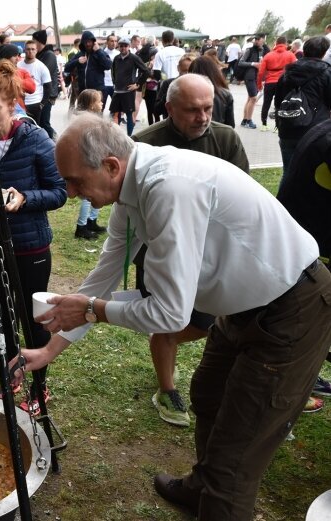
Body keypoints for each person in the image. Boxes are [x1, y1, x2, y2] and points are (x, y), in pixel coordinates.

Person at [12, 111, 331, 520]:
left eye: (75, 180)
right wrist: (48, 351)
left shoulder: (168, 188)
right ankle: (203, 486)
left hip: (292, 307)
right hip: (240, 308)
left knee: (239, 446)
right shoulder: (131, 186)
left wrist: (93, 311)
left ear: (111, 166)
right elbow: (104, 275)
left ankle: (220, 496)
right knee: (208, 393)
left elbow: (168, 313)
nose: (70, 193)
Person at [132, 73, 249, 426]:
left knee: (202, 323)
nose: (202, 117)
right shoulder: (144, 143)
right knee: (168, 319)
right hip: (161, 254)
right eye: (192, 109)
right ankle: (167, 390)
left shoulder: (226, 139)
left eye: (208, 108)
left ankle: (162, 342)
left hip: (210, 257)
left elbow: (242, 198)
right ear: (169, 108)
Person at [0, 60, 67, 413]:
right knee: (2, 320)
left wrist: (24, 198)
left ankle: (39, 388)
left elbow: (59, 191)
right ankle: (9, 380)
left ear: (12, 106)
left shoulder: (35, 139)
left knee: (34, 321)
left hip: (31, 246)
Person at [277, 118, 331, 399]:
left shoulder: (325, 129)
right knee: (304, 322)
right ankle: (295, 385)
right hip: (311, 248)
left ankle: (304, 377)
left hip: (305, 238)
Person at [274, 35, 331, 177]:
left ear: (304, 50)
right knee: (311, 177)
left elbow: (278, 101)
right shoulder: (327, 73)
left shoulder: (287, 72)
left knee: (288, 174)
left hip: (287, 128)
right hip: (315, 132)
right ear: (324, 53)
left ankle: (283, 199)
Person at [72, 89, 107, 240]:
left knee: (97, 192)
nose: (102, 103)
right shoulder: (85, 121)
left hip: (96, 159)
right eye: (99, 101)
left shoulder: (93, 119)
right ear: (92, 105)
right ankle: (81, 227)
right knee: (88, 195)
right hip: (88, 161)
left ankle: (92, 221)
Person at [109, 37, 150, 136]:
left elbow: (146, 71)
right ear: (119, 47)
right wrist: (115, 82)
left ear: (129, 46)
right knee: (116, 115)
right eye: (121, 46)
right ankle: (117, 138)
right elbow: (113, 71)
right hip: (117, 91)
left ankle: (129, 138)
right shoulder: (116, 58)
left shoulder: (134, 58)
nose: (123, 48)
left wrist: (137, 84)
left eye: (125, 46)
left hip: (128, 92)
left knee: (129, 115)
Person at [257, 36, 296, 131]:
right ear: (286, 44)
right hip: (283, 82)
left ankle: (264, 124)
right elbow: (295, 69)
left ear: (276, 43)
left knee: (266, 103)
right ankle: (277, 126)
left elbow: (261, 72)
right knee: (280, 104)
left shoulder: (268, 55)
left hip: (270, 82)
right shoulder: (290, 55)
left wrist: (259, 84)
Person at [188, 56, 235, 127]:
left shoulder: (185, 93)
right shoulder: (225, 94)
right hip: (218, 134)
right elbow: (230, 124)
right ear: (215, 71)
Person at [17, 41, 53, 131]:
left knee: (36, 129)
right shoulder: (18, 65)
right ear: (24, 50)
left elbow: (48, 87)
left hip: (35, 103)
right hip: (21, 104)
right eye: (28, 49)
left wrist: (42, 104)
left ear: (36, 50)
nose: (30, 51)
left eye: (33, 49)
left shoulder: (41, 67)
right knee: (21, 129)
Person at [66, 31, 112, 98]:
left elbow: (108, 65)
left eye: (89, 42)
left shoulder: (100, 53)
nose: (88, 44)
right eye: (85, 42)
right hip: (83, 92)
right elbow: (67, 68)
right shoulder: (79, 55)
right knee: (83, 109)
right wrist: (77, 61)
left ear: (94, 42)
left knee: (97, 108)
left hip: (97, 92)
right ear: (82, 43)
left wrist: (98, 51)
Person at [153, 53, 196, 121]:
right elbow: (157, 110)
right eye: (185, 71)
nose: (188, 74)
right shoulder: (168, 84)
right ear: (178, 68)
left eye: (191, 71)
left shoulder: (200, 86)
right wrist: (170, 93)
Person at [239, 34, 270, 129]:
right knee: (253, 98)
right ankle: (249, 121)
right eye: (261, 40)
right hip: (250, 76)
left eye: (263, 41)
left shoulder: (264, 50)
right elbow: (241, 62)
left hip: (257, 77)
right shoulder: (250, 50)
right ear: (256, 40)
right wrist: (253, 64)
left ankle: (244, 120)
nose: (262, 42)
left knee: (250, 98)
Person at [33, 29, 60, 138]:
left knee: (44, 122)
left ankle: (56, 140)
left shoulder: (49, 55)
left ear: (39, 42)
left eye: (34, 40)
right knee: (39, 123)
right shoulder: (39, 55)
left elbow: (43, 73)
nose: (32, 43)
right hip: (39, 94)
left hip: (48, 95)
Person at [0, 43, 36, 110]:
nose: (18, 58)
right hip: (2, 109)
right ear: (7, 57)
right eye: (15, 56)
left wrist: (11, 80)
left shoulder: (22, 72)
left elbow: (32, 87)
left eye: (18, 55)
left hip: (19, 111)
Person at [100, 35, 119, 111]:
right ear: (107, 42)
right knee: (101, 105)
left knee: (116, 106)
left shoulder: (118, 53)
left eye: (115, 41)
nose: (114, 43)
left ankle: (116, 120)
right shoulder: (102, 53)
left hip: (115, 84)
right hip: (104, 83)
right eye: (112, 41)